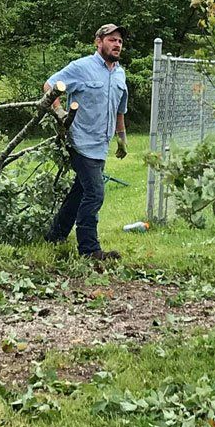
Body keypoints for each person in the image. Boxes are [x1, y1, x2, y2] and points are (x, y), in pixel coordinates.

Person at [43, 24, 129, 260]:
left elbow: (120, 109)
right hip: (80, 141)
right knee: (95, 193)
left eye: (120, 41)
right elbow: (50, 85)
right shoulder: (82, 67)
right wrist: (60, 113)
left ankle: (56, 234)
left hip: (101, 145)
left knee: (80, 191)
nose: (117, 44)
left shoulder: (120, 74)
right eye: (112, 39)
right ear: (98, 42)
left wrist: (121, 138)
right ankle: (89, 249)